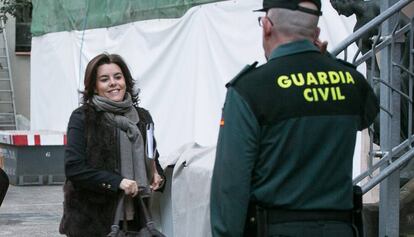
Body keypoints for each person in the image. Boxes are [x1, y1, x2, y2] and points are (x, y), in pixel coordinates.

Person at [210, 0, 380, 236]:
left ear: (267, 26)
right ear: (316, 33)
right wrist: (325, 65)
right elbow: (368, 116)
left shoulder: (249, 90)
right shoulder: (352, 83)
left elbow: (230, 188)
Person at [59, 53, 165, 237]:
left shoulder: (143, 118)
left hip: (135, 220)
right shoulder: (83, 117)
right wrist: (117, 182)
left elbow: (153, 158)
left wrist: (157, 175)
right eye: (104, 79)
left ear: (126, 81)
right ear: (94, 86)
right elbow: (74, 169)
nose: (113, 83)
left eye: (118, 77)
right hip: (92, 221)